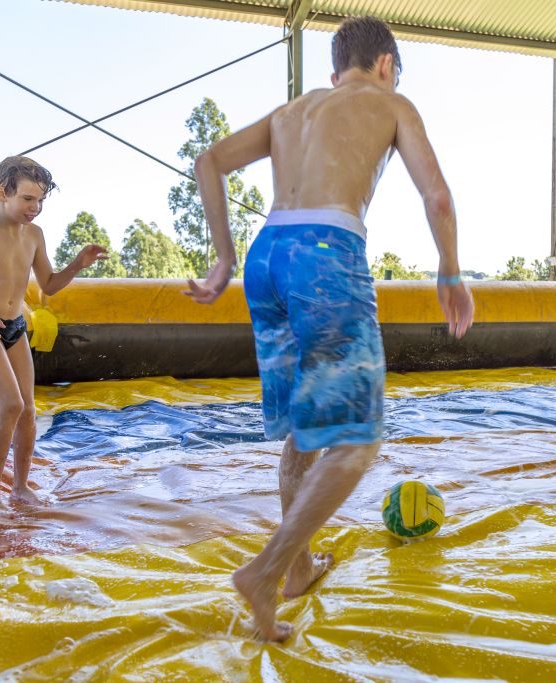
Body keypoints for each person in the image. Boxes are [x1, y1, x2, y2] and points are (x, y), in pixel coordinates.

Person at [184, 16, 474, 641]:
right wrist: (449, 270)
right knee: (358, 440)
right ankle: (266, 570)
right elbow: (439, 197)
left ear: (333, 70)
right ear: (387, 63)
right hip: (324, 252)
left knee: (304, 431)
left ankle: (299, 569)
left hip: (267, 255)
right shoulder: (391, 102)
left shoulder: (297, 109)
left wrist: (223, 256)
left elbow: (207, 161)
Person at [0, 156, 106, 513]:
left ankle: (21, 488)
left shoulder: (35, 235)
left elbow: (50, 285)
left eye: (40, 200)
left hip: (13, 327)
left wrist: (77, 264)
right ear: (1, 192)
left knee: (28, 409)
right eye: (28, 199)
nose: (36, 207)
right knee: (10, 405)